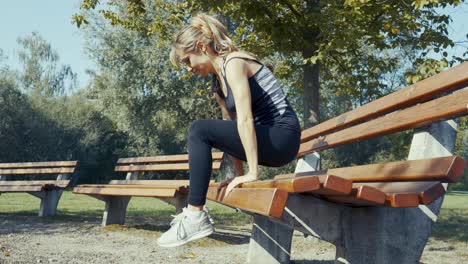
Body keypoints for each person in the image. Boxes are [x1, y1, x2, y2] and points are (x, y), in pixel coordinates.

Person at [157, 13, 301, 247]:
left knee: (199, 130)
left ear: (202, 47)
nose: (188, 68)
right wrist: (237, 174)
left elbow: (245, 119)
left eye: (187, 60)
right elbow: (232, 129)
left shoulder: (234, 63)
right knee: (202, 131)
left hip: (282, 136)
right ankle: (194, 214)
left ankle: (194, 215)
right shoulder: (217, 84)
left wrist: (252, 173)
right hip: (265, 137)